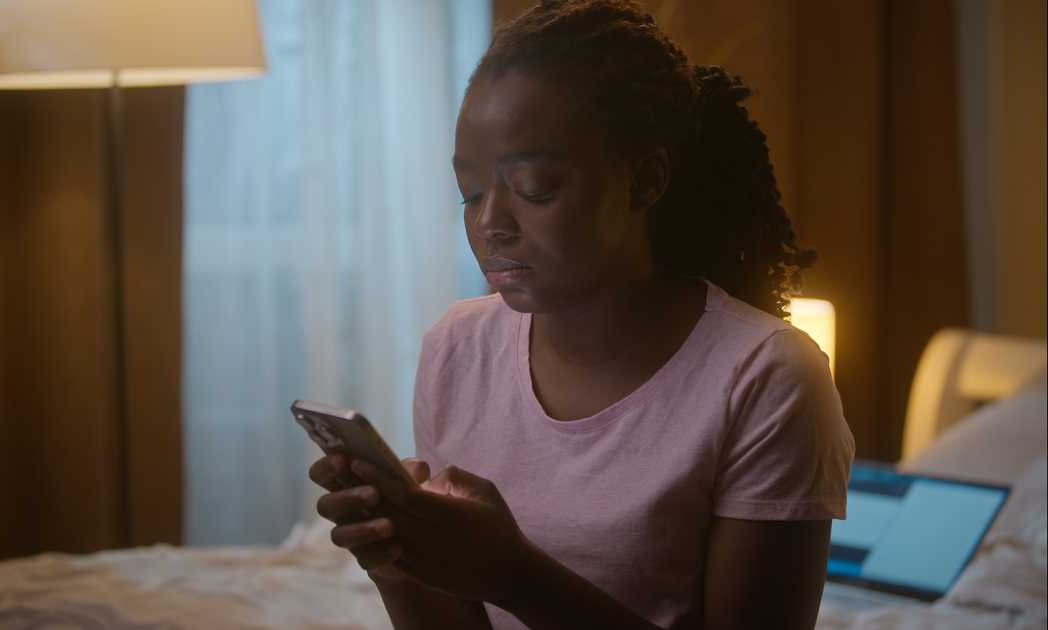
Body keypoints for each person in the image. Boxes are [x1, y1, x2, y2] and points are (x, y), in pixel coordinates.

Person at [308, 1, 855, 628]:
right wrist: (395, 557)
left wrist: (513, 574)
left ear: (644, 181)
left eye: (535, 189)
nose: (490, 225)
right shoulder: (458, 347)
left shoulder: (766, 377)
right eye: (471, 194)